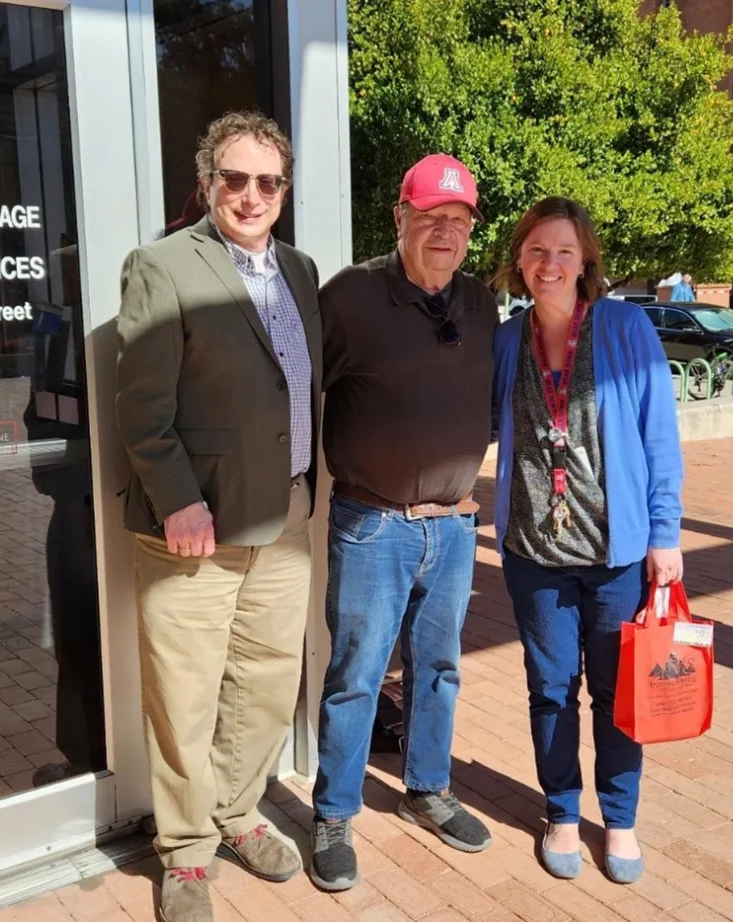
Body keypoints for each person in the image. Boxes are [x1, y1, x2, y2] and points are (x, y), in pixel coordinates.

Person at [115, 111, 321, 922]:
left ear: (283, 191)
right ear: (207, 184)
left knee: (267, 688)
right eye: (233, 178)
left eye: (267, 181)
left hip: (286, 519)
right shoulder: (162, 266)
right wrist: (178, 499)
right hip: (191, 530)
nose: (251, 194)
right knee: (185, 697)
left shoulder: (300, 271)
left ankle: (237, 814)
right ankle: (186, 856)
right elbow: (140, 408)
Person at [310, 153, 496, 892]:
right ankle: (333, 812)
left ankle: (427, 789)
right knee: (357, 674)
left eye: (458, 220)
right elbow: (292, 389)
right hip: (372, 524)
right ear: (400, 219)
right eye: (430, 217)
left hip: (454, 527)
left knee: (439, 669)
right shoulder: (351, 297)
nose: (444, 232)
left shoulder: (482, 305)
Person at [491, 197, 684, 885]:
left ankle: (621, 820)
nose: (550, 264)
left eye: (564, 251)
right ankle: (562, 812)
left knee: (617, 694)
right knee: (550, 689)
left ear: (586, 260)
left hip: (617, 557)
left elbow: (660, 436)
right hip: (533, 556)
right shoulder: (507, 340)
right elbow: (477, 421)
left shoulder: (625, 326)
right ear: (519, 259)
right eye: (538, 250)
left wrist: (666, 533)